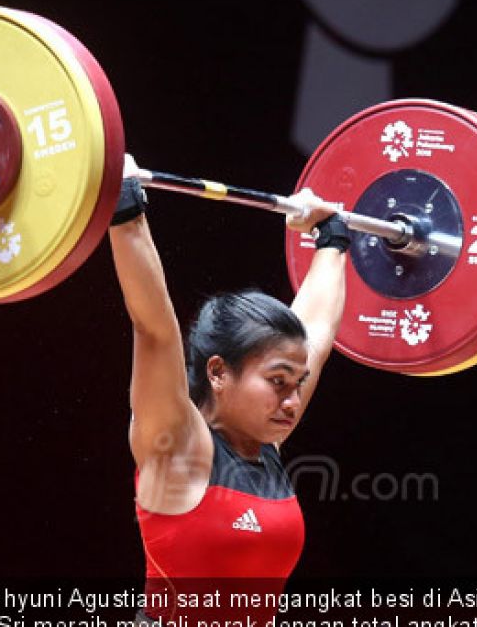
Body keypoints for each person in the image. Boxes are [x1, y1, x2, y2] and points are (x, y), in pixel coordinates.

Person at [107, 154, 348, 624]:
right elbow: (155, 329)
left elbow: (316, 336)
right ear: (218, 373)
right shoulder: (178, 446)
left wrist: (332, 238)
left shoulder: (266, 442)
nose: (293, 400)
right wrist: (124, 209)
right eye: (278, 383)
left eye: (296, 384)